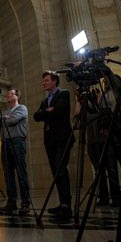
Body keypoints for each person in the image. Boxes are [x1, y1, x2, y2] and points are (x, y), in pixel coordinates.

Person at [33, 71, 75, 222]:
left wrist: (48, 112)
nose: (44, 83)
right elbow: (36, 116)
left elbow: (61, 110)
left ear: (55, 81)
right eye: (43, 81)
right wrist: (48, 111)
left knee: (60, 168)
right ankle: (62, 203)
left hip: (63, 138)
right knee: (55, 171)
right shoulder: (46, 101)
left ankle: (67, 205)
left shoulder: (64, 94)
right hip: (50, 141)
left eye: (46, 80)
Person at [0, 88, 31, 215]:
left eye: (11, 94)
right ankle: (12, 202)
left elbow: (13, 120)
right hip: (6, 143)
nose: (8, 95)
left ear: (17, 96)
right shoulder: (5, 111)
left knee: (21, 173)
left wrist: (5, 119)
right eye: (7, 94)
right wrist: (6, 117)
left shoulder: (22, 108)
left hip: (18, 142)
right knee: (8, 175)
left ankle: (25, 203)